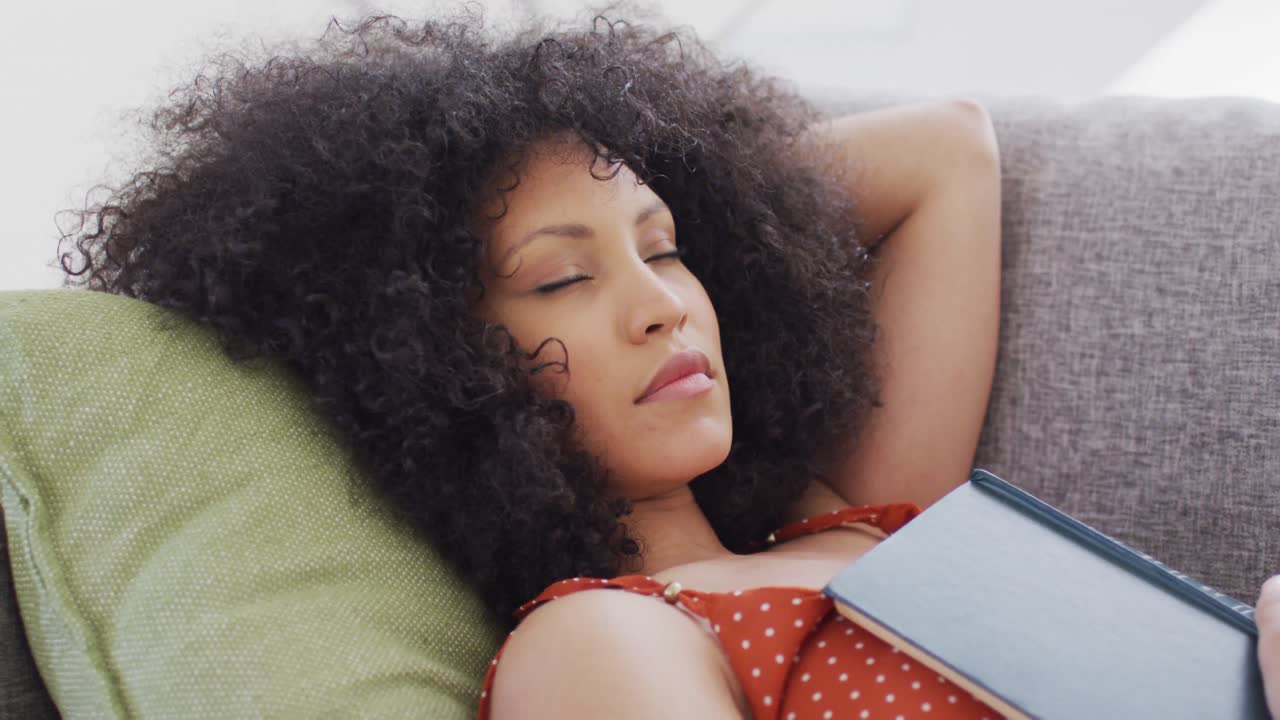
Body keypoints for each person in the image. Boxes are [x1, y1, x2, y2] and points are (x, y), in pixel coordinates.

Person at [58, 8, 1280, 719]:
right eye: (558, 280)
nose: (663, 308)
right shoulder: (598, 642)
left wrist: (730, 218)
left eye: (668, 250)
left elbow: (943, 153)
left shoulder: (849, 524)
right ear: (428, 369)